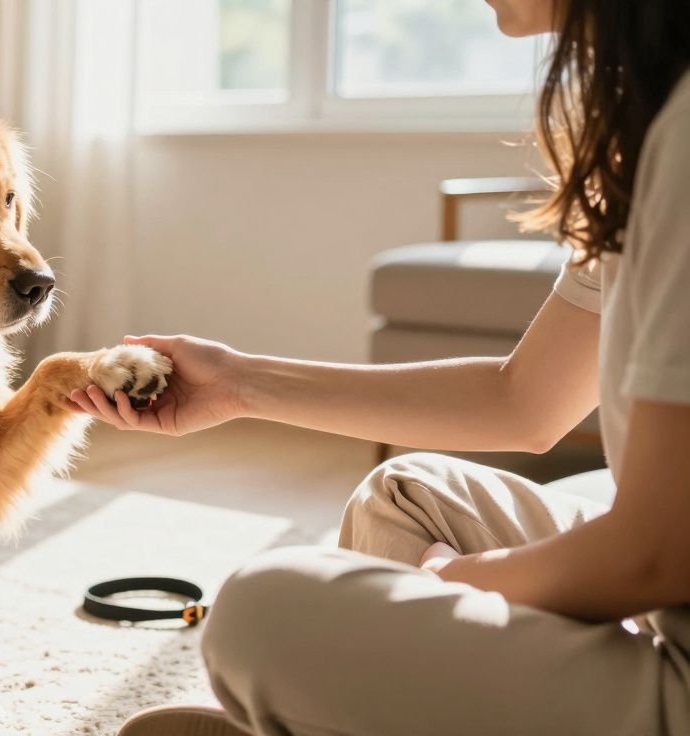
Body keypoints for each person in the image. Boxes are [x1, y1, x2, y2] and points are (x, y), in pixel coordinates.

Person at [71, 1, 690, 734]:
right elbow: (522, 401)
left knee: (264, 608)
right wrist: (238, 383)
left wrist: (459, 583)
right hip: (665, 597)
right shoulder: (649, 124)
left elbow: (652, 554)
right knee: (407, 496)